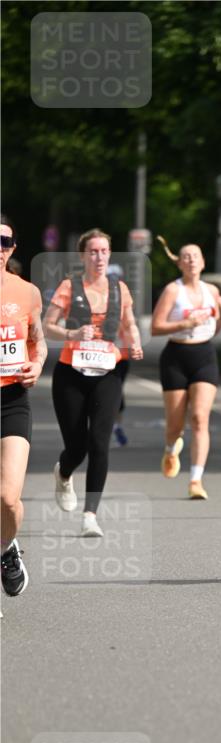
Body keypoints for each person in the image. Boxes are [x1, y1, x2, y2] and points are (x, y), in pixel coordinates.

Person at [44, 228, 144, 537]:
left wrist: (135, 343)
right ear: (82, 255)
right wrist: (72, 334)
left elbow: (129, 323)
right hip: (71, 375)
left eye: (103, 251)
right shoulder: (69, 286)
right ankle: (63, 473)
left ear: (110, 255)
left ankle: (90, 515)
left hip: (108, 373)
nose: (98, 257)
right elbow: (48, 326)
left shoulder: (120, 289)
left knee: (100, 442)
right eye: (93, 252)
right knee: (77, 447)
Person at [151, 237, 221, 500]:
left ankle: (196, 480)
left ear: (203, 261)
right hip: (176, 356)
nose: (191, 259)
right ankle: (171, 448)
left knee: (199, 418)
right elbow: (155, 327)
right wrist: (183, 325)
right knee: (175, 425)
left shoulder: (213, 291)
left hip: (205, 355)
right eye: (186, 256)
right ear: (179, 263)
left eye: (195, 255)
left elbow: (216, 327)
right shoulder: (173, 291)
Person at [1, 216, 47, 597]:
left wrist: (38, 363)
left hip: (11, 400)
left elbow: (39, 340)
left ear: (12, 248)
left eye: (4, 242)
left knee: (7, 498)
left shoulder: (26, 292)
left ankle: (6, 548)